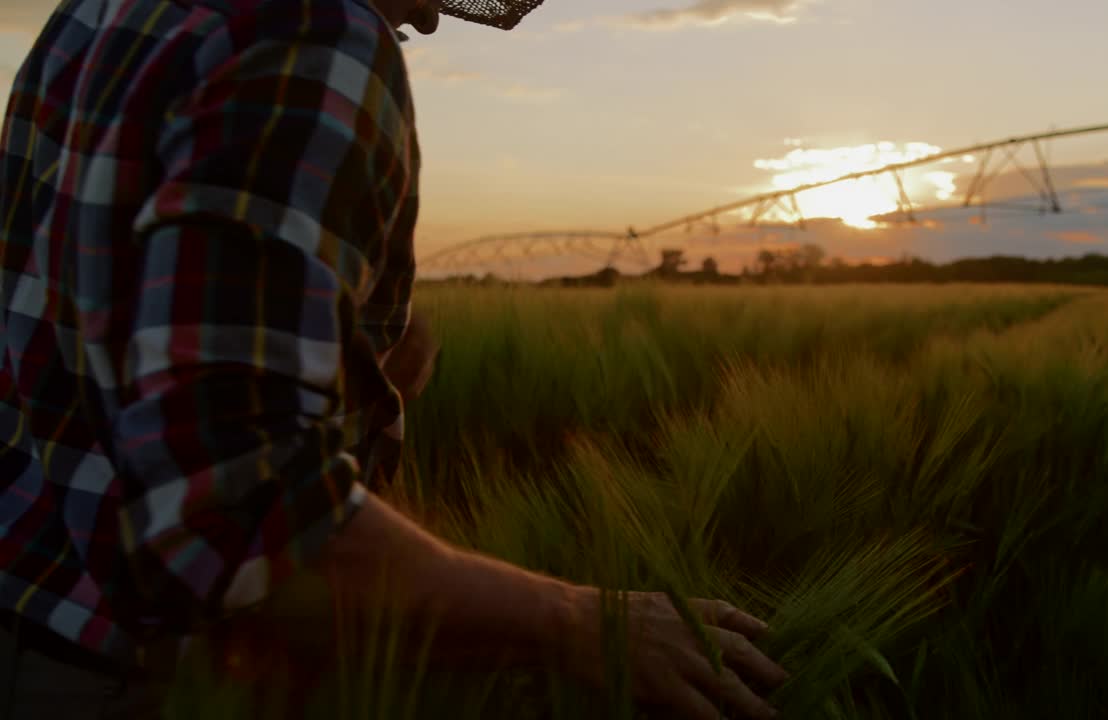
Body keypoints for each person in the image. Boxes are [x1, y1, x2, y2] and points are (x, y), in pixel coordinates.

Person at [0, 0, 788, 718]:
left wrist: (341, 355)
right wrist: (579, 623)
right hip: (144, 682)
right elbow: (240, 529)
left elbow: (89, 316)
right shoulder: (308, 35)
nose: (435, 24)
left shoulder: (98, 12)